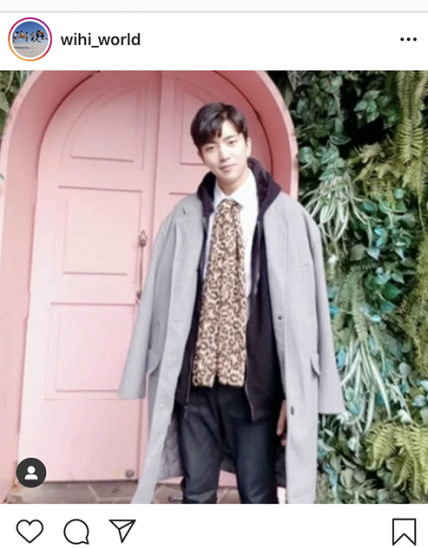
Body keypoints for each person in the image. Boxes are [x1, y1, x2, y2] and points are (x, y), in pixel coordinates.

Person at [118, 102, 346, 504]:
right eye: (211, 147)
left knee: (257, 495)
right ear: (201, 155)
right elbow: (157, 301)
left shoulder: (290, 219)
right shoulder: (183, 218)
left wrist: (295, 390)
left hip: (255, 387)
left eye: (230, 142)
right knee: (196, 493)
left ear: (247, 143)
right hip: (196, 386)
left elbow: (309, 315)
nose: (223, 154)